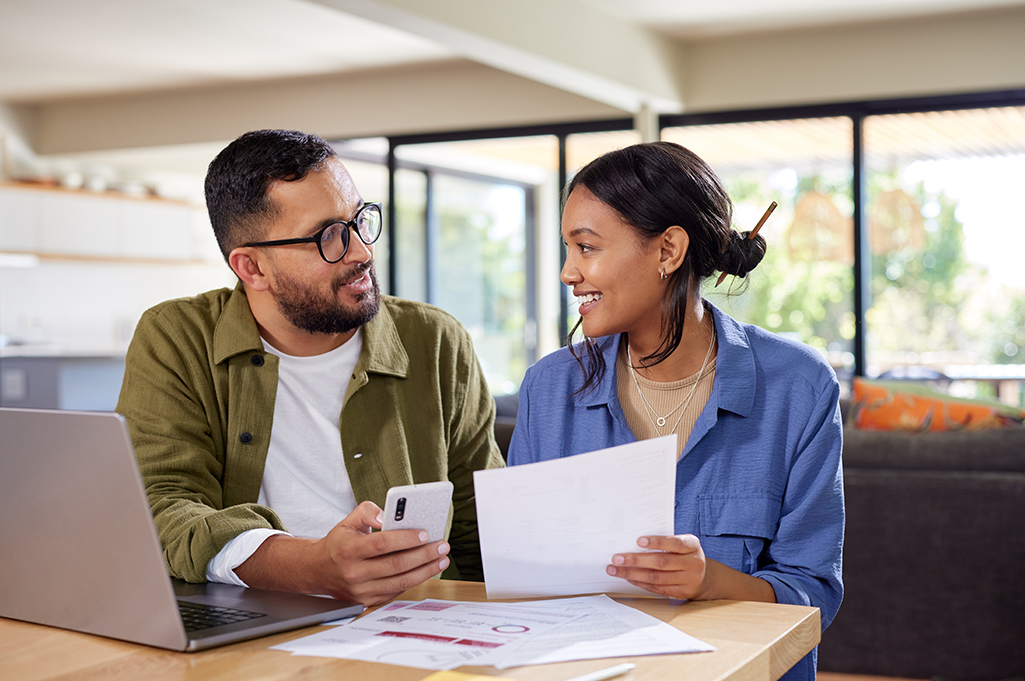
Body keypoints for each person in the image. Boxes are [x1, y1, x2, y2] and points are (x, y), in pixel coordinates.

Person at [117, 129, 504, 607]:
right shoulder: (177, 336)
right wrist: (311, 567)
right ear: (252, 268)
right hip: (249, 620)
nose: (362, 252)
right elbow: (162, 506)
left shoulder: (435, 340)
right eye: (329, 237)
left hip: (417, 617)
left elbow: (483, 522)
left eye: (360, 221)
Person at [507, 141, 843, 681]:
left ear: (668, 251)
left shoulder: (798, 387)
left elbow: (814, 594)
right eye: (567, 250)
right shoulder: (548, 390)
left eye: (586, 248)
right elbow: (522, 579)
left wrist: (713, 582)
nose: (569, 272)